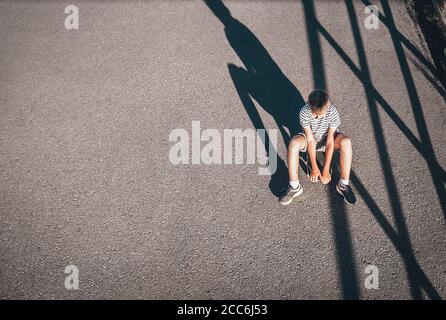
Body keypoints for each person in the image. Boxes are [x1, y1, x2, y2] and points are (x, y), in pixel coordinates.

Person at [279, 89, 357, 205]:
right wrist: (315, 168)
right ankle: (295, 186)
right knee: (293, 143)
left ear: (328, 104)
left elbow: (330, 142)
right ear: (308, 104)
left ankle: (343, 185)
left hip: (327, 140)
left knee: (346, 142)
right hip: (312, 140)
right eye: (314, 114)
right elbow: (310, 140)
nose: (317, 117)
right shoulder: (305, 111)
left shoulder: (332, 112)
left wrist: (325, 170)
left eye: (320, 115)